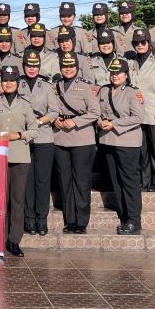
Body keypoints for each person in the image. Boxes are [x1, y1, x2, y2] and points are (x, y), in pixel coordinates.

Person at [0, 64, 38, 257]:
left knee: (17, 200)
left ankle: (14, 240)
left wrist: (19, 134)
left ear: (17, 83)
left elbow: (34, 129)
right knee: (0, 200)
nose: (8, 84)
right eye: (6, 81)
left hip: (20, 157)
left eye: (12, 81)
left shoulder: (25, 104)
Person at [51, 51, 99, 234]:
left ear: (77, 69)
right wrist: (54, 119)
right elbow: (51, 108)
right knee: (65, 180)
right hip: (60, 137)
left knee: (81, 180)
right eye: (65, 67)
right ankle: (69, 219)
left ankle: (81, 220)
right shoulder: (55, 87)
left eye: (71, 67)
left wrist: (76, 121)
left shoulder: (86, 88)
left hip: (81, 138)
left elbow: (95, 112)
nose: (68, 70)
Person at [98, 58, 143, 235]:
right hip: (108, 141)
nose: (115, 76)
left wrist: (114, 123)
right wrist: (100, 122)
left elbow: (138, 117)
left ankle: (134, 219)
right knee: (116, 181)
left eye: (119, 73)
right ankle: (124, 216)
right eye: (113, 72)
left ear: (126, 74)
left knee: (129, 182)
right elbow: (98, 112)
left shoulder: (133, 92)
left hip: (127, 142)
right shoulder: (103, 90)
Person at [18, 50, 59, 237]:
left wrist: (39, 121)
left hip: (43, 137)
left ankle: (42, 220)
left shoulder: (48, 86)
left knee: (42, 181)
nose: (32, 69)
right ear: (24, 66)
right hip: (24, 139)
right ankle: (29, 220)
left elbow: (54, 111)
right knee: (27, 182)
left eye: (35, 65)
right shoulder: (17, 83)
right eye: (28, 65)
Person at [128, 28, 155, 191]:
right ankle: (145, 181)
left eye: (143, 42)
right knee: (142, 151)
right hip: (137, 115)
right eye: (136, 43)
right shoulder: (130, 63)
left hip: (153, 113)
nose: (140, 45)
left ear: (149, 44)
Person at [0, 27, 22, 94]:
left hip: (12, 98)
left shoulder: (18, 60)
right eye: (1, 41)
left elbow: (22, 81)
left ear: (11, 43)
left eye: (7, 41)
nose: (4, 44)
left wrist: (6, 88)